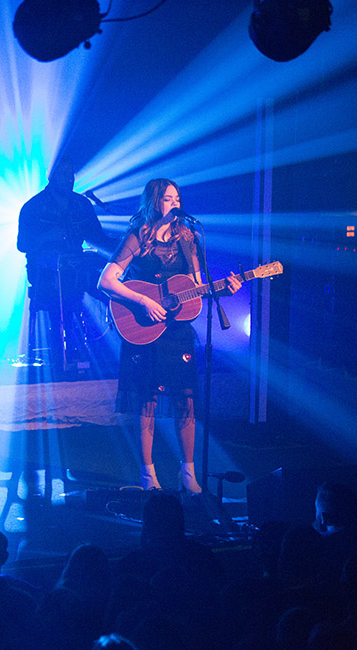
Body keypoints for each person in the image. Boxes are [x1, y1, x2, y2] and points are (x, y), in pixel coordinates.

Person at [97, 178, 241, 492]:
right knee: (146, 400)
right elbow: (106, 281)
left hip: (176, 330)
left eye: (177, 197)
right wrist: (143, 301)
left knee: (185, 399)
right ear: (153, 202)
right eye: (167, 198)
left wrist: (224, 291)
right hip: (143, 327)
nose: (175, 203)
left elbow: (196, 288)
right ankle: (148, 474)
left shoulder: (188, 237)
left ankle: (187, 472)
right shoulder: (138, 236)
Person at [17, 156, 116, 377]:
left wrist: (124, 243)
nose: (68, 179)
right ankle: (64, 350)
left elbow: (97, 238)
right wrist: (45, 238)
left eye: (70, 174)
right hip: (45, 275)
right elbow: (22, 244)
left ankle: (121, 329)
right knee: (62, 286)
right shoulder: (34, 206)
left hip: (78, 265)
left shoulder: (82, 204)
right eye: (62, 174)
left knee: (109, 280)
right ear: (50, 176)